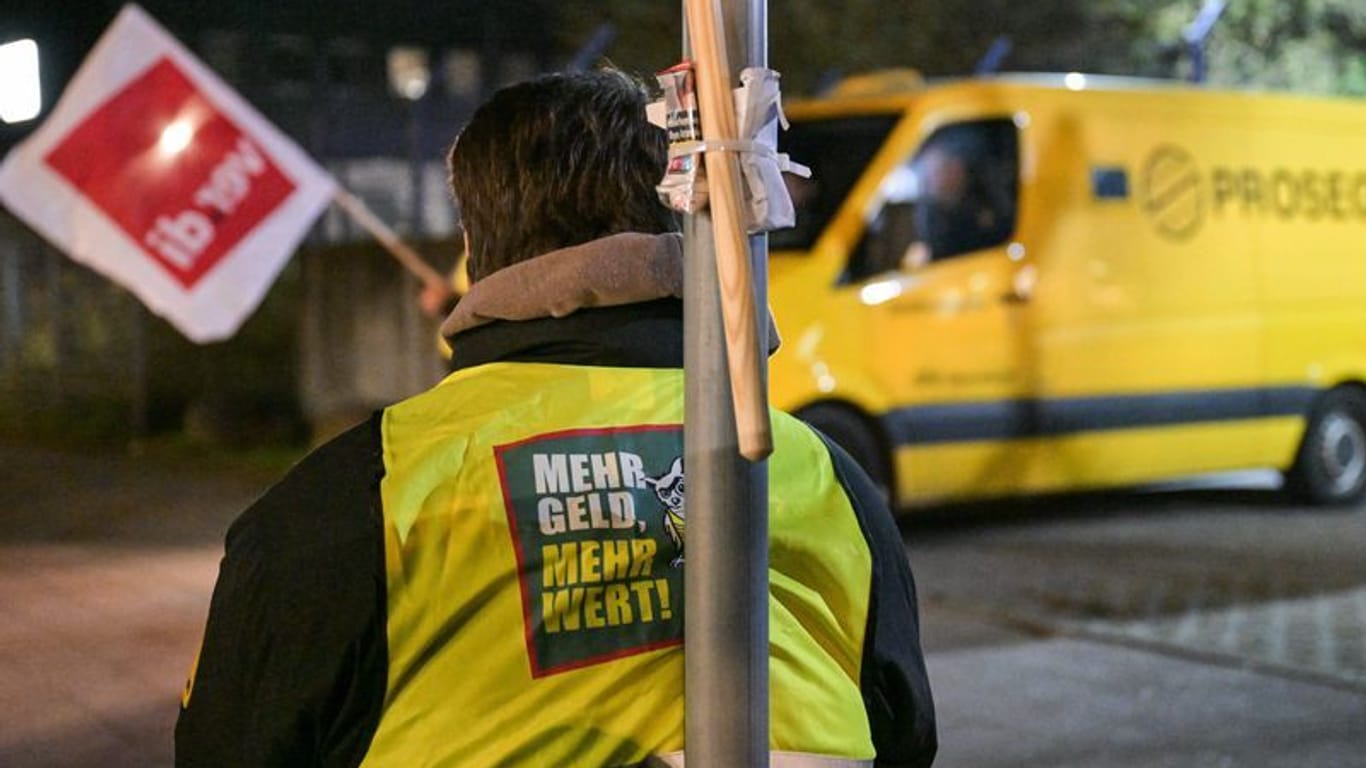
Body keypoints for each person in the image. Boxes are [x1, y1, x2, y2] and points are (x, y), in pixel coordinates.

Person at [175, 69, 936, 768]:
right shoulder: (825, 478)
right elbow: (906, 737)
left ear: (474, 250)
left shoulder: (344, 508)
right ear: (681, 222)